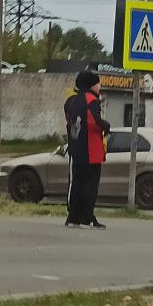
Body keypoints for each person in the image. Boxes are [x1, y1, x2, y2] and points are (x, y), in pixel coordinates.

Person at [64, 70, 110, 229]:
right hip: (91, 150)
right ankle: (88, 217)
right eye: (98, 83)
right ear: (92, 84)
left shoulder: (71, 101)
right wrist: (107, 126)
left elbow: (69, 123)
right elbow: (94, 122)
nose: (100, 86)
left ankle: (73, 217)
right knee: (90, 186)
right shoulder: (92, 100)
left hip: (75, 149)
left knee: (76, 183)